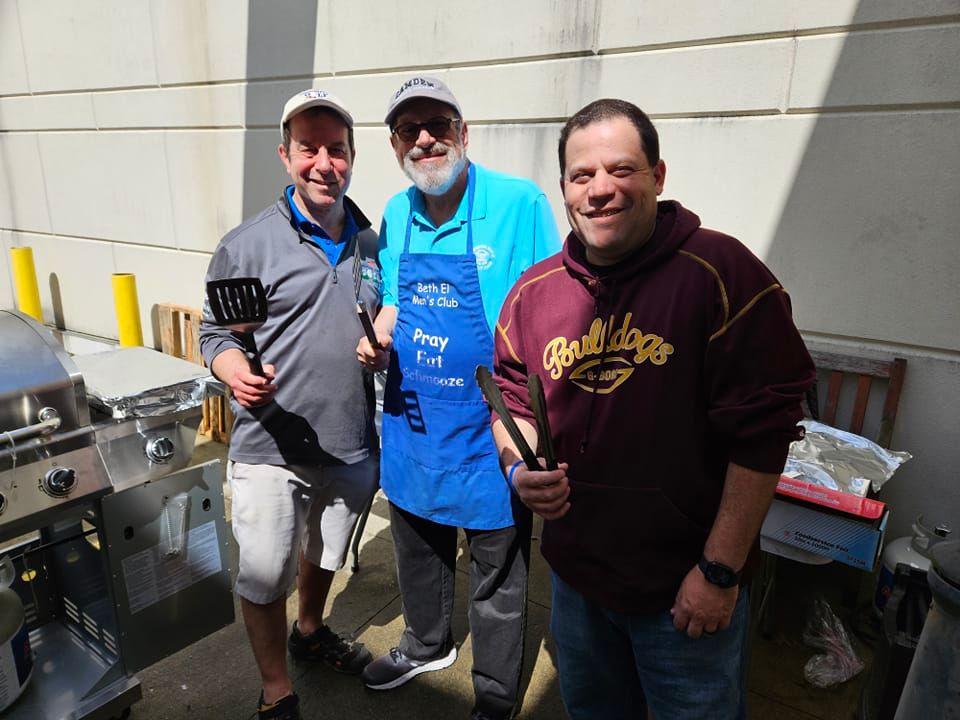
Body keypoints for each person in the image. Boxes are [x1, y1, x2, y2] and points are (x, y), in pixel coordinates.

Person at [490, 98, 816, 720]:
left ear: (658, 176)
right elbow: (509, 398)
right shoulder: (534, 294)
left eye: (622, 169)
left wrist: (719, 571)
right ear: (564, 188)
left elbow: (764, 434)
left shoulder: (722, 275)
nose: (601, 190)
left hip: (684, 589)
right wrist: (518, 467)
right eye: (582, 176)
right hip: (575, 585)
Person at [355, 76, 561, 720]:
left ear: (463, 132)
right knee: (416, 538)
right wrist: (380, 336)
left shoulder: (519, 204)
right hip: (415, 413)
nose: (425, 139)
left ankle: (496, 694)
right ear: (395, 147)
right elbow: (394, 299)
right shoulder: (393, 212)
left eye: (437, 124)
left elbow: (553, 307)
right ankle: (424, 643)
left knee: (498, 568)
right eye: (408, 131)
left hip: (493, 421)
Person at [200, 89, 381, 720]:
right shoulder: (247, 245)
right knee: (264, 572)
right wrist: (235, 373)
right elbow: (216, 335)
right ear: (286, 155)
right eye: (309, 149)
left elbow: (376, 322)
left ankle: (310, 631)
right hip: (269, 447)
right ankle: (276, 688)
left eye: (337, 149)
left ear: (352, 156)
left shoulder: (370, 240)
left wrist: (383, 346)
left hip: (351, 440)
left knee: (325, 553)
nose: (324, 163)